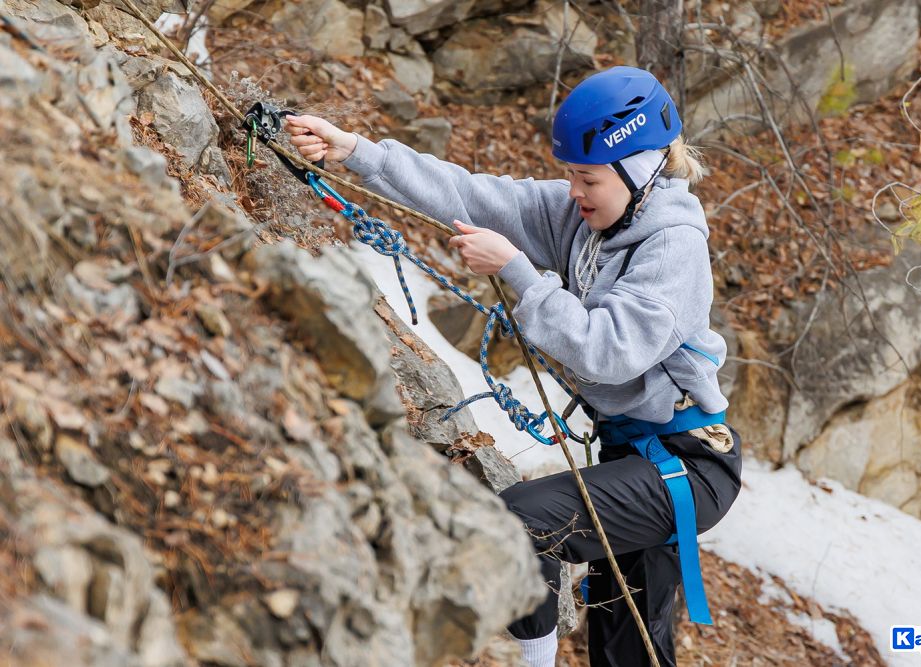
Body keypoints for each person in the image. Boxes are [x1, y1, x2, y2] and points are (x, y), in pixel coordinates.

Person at [286, 66, 743, 667]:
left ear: (641, 169)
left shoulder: (673, 247)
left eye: (589, 179)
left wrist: (519, 273)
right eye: (571, 177)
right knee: (627, 647)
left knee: (524, 520)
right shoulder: (587, 219)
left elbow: (609, 352)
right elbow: (470, 195)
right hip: (633, 458)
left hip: (687, 466)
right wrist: (355, 152)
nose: (575, 191)